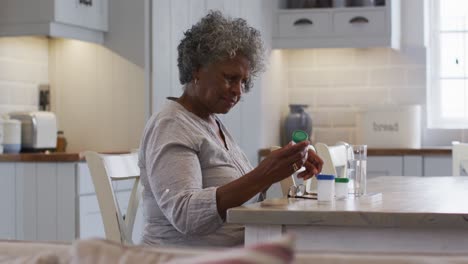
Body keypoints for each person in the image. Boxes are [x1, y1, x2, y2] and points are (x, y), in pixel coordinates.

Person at [138, 10, 323, 247]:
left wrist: (284, 166)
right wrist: (264, 173)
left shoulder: (210, 122)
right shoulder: (172, 124)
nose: (238, 90)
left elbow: (240, 196)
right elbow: (185, 214)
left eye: (244, 82)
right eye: (229, 78)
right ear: (196, 69)